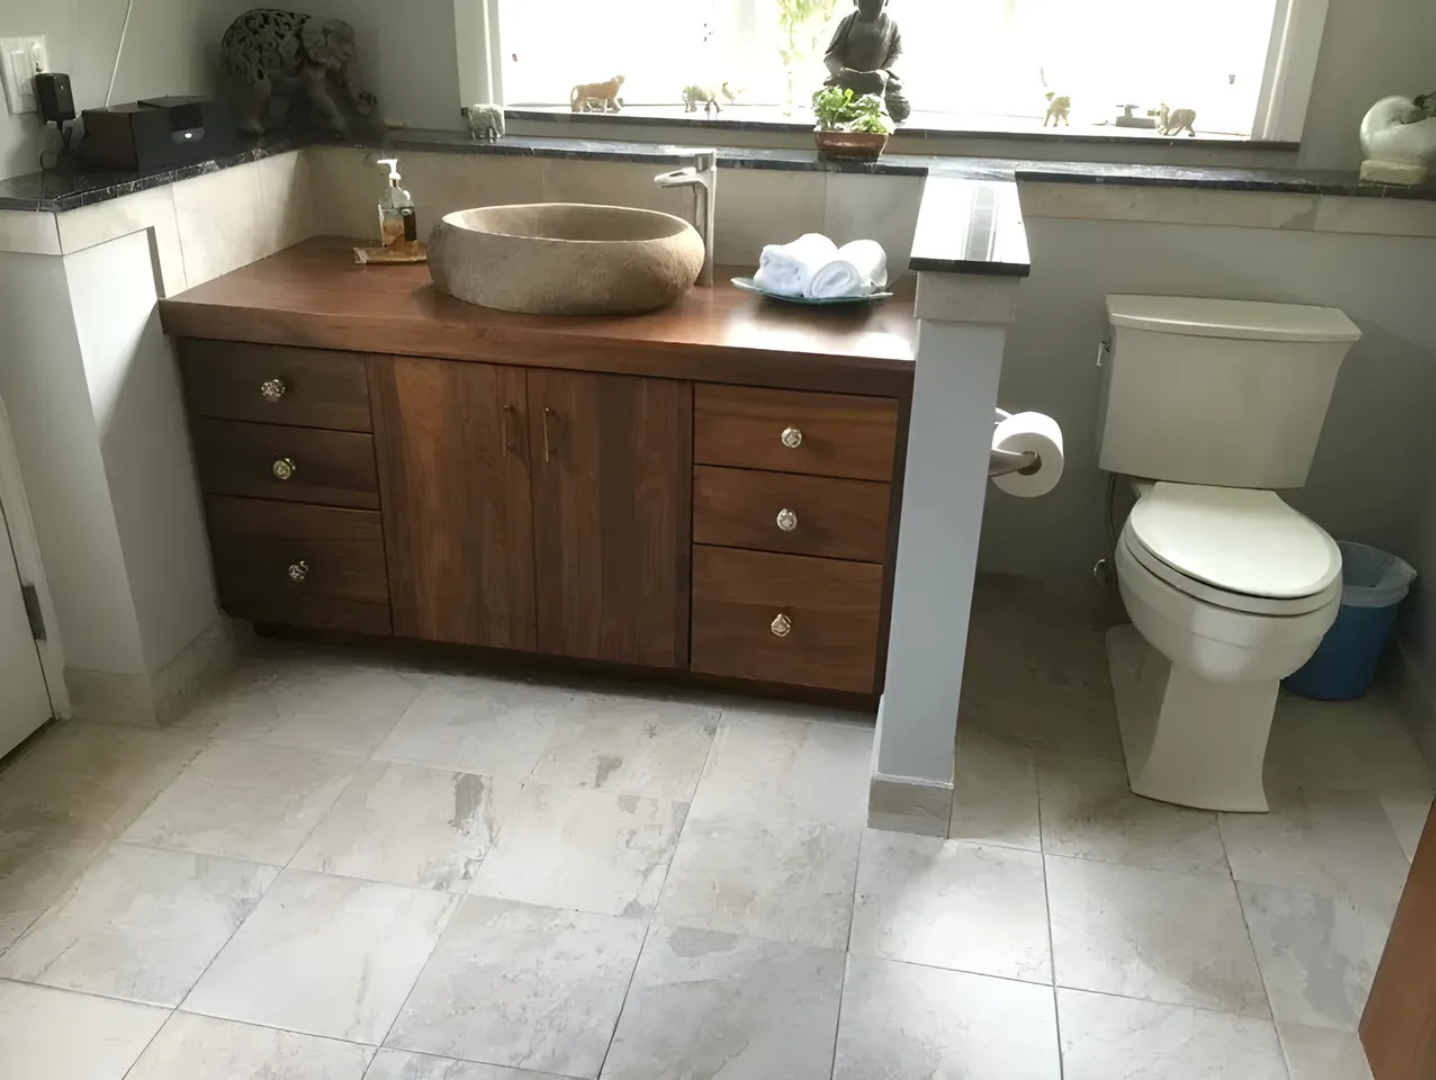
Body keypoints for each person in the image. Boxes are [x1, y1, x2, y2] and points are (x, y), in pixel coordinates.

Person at [822, 0, 911, 123]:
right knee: (830, 101)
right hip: (849, 82)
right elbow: (831, 55)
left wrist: (886, 74)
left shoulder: (891, 25)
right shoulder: (848, 22)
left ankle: (866, 106)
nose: (870, 5)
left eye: (875, 2)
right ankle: (857, 106)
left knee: (900, 107)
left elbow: (897, 55)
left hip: (877, 84)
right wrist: (841, 72)